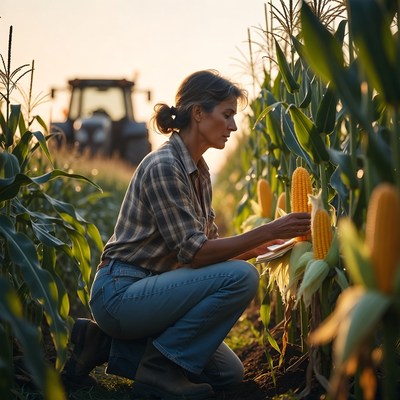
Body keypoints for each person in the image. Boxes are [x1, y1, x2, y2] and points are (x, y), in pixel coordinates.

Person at [63, 70, 311, 399]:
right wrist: (270, 228)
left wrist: (267, 244)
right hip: (122, 293)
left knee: (227, 372)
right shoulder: (165, 165)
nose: (233, 127)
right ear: (198, 113)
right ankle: (159, 370)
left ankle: (101, 344)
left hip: (157, 292)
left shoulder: (200, 172)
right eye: (227, 116)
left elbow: (211, 254)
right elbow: (197, 254)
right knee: (242, 278)